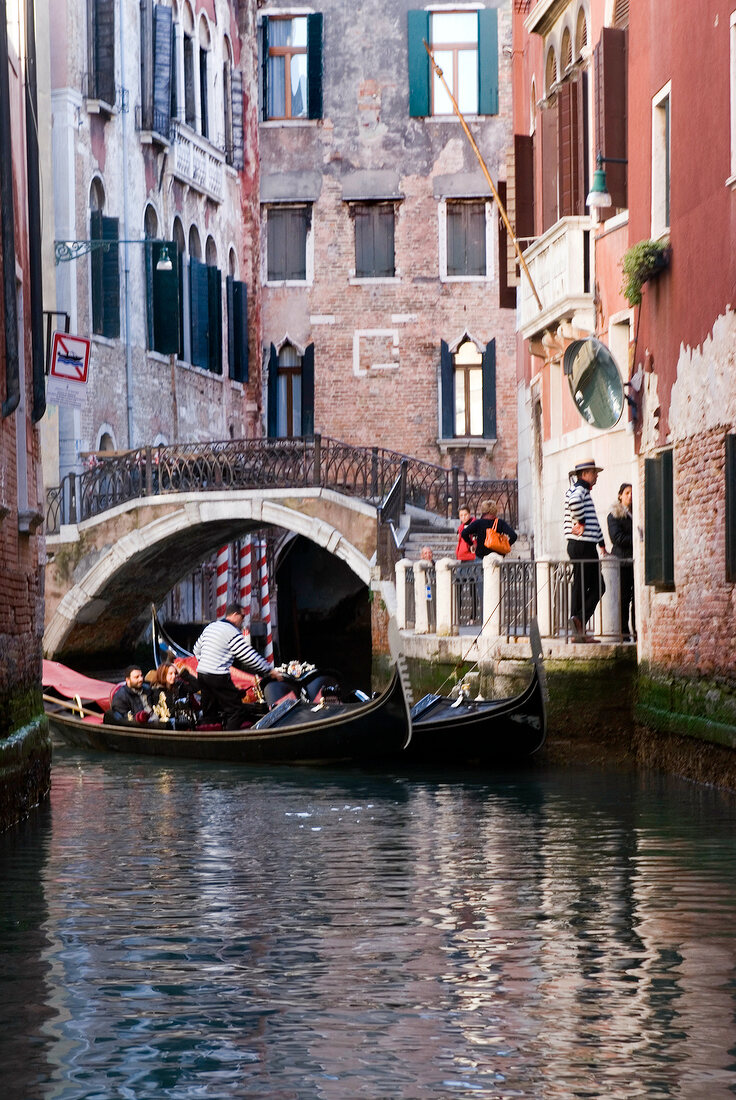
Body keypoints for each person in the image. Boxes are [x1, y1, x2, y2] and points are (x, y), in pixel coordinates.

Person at [193, 602, 285, 729]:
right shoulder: (231, 631)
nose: (243, 620)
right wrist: (269, 670)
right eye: (243, 617)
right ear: (235, 615)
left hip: (202, 674)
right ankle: (229, 744)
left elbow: (196, 650)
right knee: (236, 711)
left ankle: (209, 740)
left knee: (209, 712)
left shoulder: (211, 627)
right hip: (218, 676)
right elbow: (248, 656)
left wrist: (206, 662)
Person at [565, 459, 608, 641]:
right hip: (582, 544)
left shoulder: (582, 491)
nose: (596, 476)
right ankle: (579, 620)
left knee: (580, 587)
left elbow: (594, 522)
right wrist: (580, 522)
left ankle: (578, 631)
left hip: (582, 544)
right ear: (585, 474)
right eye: (594, 473)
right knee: (599, 586)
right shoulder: (579, 490)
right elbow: (575, 504)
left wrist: (602, 544)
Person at [607, 482, 635, 641]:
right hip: (622, 562)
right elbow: (616, 538)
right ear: (620, 495)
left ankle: (637, 633)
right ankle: (624, 633)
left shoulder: (637, 512)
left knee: (636, 600)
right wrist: (636, 539)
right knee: (624, 599)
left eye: (632, 493)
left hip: (635, 561)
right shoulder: (614, 515)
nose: (630, 496)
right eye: (627, 493)